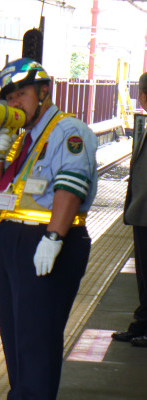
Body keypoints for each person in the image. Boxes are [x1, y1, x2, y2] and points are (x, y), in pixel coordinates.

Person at [0, 58, 98, 399]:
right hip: (11, 239)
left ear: (44, 91)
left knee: (36, 340)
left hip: (45, 240)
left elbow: (70, 187)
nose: (14, 102)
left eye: (22, 93)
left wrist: (54, 238)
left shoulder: (67, 131)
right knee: (15, 338)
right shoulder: (20, 139)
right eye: (9, 96)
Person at [112, 72, 147, 347]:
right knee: (144, 274)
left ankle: (144, 327)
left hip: (146, 214)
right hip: (141, 213)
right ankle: (141, 324)